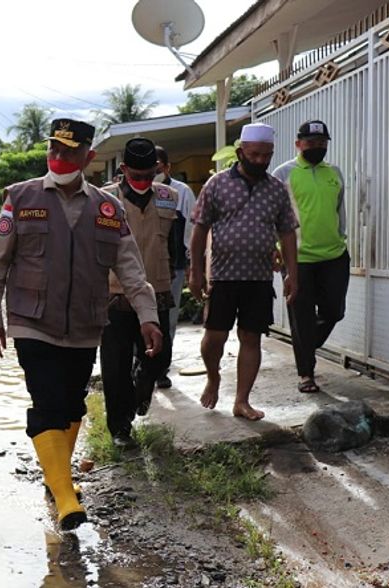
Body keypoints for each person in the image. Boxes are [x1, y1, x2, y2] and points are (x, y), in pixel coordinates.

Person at [0, 118, 163, 530]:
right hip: (31, 321)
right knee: (46, 401)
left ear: (89, 157)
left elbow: (131, 270)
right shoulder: (20, 198)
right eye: (54, 149)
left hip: (84, 324)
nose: (59, 157)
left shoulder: (107, 207)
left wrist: (147, 316)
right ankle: (65, 496)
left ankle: (56, 476)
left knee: (72, 403)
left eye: (68, 151)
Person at [188, 123, 299, 421]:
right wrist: (196, 272)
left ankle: (242, 401)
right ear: (240, 152)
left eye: (267, 155)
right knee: (214, 338)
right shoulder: (217, 185)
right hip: (223, 277)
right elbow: (199, 230)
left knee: (251, 338)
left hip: (260, 278)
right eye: (255, 154)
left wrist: (292, 275)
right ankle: (213, 377)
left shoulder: (276, 189)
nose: (261, 160)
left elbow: (287, 234)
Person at [99, 138, 180, 448]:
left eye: (150, 175)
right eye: (137, 176)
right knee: (115, 365)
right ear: (123, 170)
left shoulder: (168, 198)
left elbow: (174, 245)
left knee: (159, 358)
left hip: (156, 289)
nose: (145, 181)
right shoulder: (105, 200)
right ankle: (120, 428)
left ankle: (142, 387)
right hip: (115, 293)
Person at [272, 120, 349, 394]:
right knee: (301, 317)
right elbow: (273, 217)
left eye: (321, 143)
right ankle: (306, 374)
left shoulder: (335, 173)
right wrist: (274, 248)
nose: (317, 147)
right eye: (310, 142)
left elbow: (340, 211)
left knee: (334, 311)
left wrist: (342, 237)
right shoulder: (283, 174)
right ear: (298, 144)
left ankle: (305, 344)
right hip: (298, 259)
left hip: (335, 255)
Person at [154, 145, 197, 389]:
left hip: (174, 267)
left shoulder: (180, 193)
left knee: (168, 320)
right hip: (141, 269)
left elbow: (191, 229)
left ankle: (161, 370)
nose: (154, 172)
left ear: (168, 167)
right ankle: (141, 365)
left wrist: (192, 264)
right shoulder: (131, 190)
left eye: (158, 167)